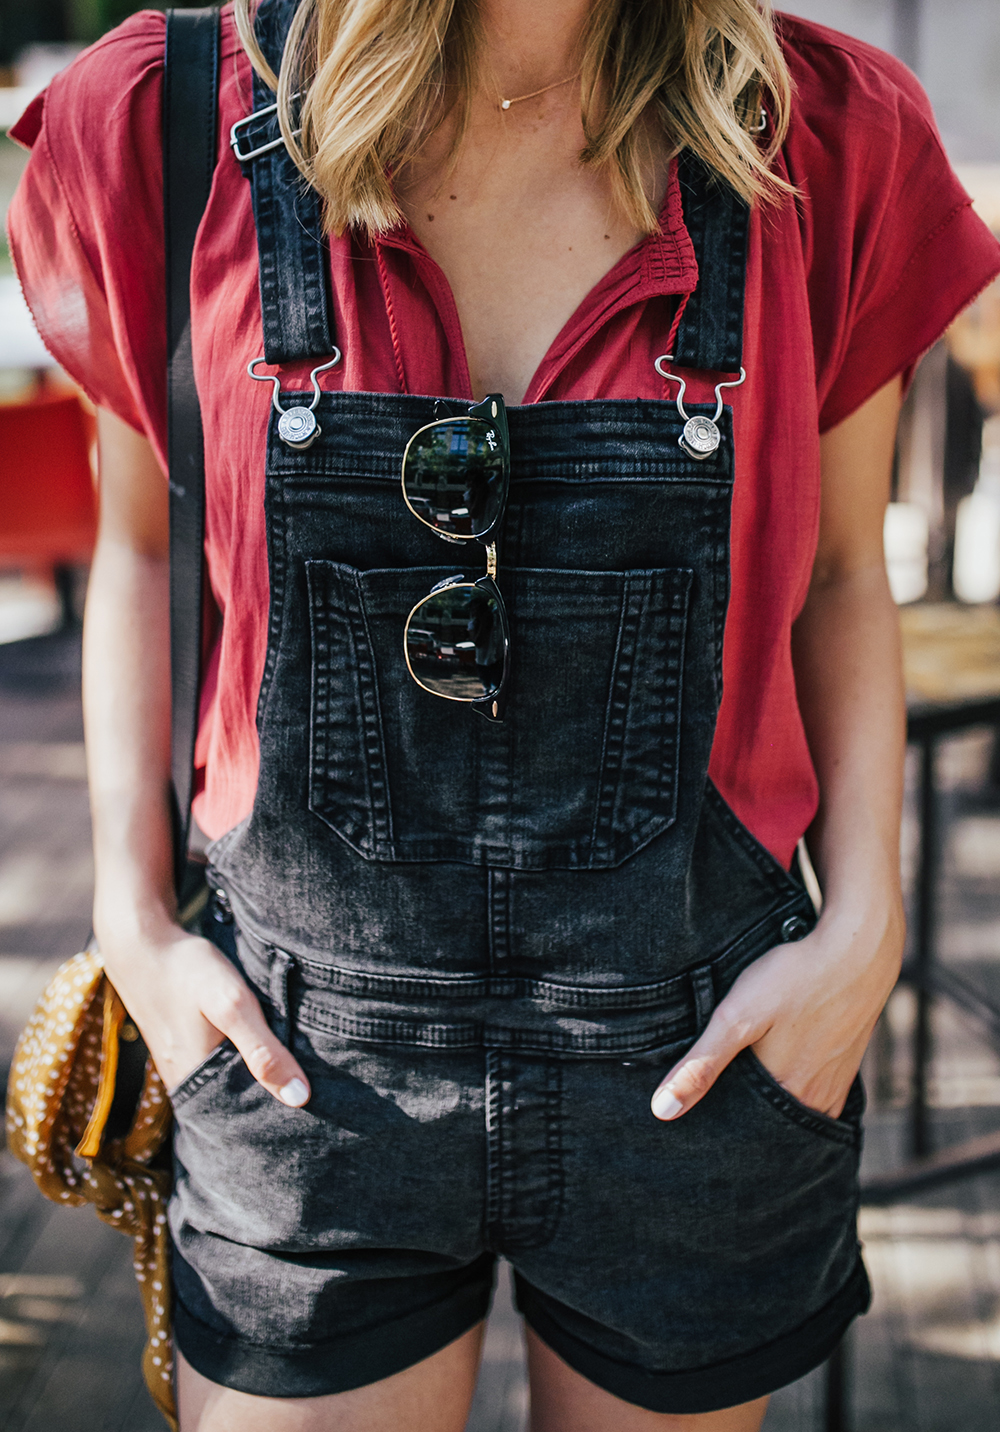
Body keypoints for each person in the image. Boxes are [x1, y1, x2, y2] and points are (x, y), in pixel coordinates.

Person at [8, 1, 1000, 1428]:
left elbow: (847, 572)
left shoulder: (829, 138)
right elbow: (144, 546)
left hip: (698, 1059)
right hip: (301, 1073)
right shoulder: (161, 119)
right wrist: (132, 920)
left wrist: (864, 932)